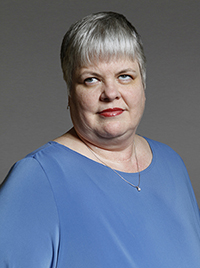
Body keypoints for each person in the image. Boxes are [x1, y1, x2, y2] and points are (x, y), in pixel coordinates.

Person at [0, 11, 199, 268]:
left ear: (143, 86)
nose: (111, 93)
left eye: (125, 75)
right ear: (71, 94)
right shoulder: (37, 178)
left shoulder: (171, 163)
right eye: (91, 79)